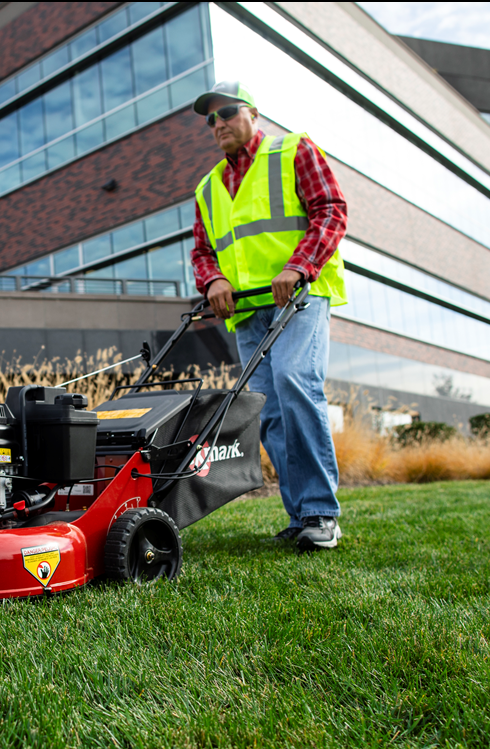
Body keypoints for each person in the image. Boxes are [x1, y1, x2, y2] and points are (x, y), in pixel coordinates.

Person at [189, 80, 348, 550]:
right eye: (210, 119)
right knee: (269, 412)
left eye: (228, 113)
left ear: (253, 113)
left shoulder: (293, 151)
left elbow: (330, 210)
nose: (218, 124)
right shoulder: (208, 187)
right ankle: (302, 517)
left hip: (300, 294)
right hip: (249, 311)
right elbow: (202, 252)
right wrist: (213, 280)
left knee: (297, 382)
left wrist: (298, 265)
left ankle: (322, 512)